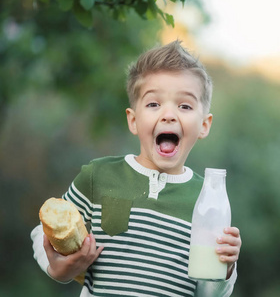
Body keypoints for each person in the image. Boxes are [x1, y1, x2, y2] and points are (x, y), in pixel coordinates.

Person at [30, 40, 242, 297]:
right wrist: (59, 269)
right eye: (154, 104)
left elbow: (209, 294)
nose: (168, 115)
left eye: (184, 106)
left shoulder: (207, 201)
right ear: (133, 119)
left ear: (204, 125)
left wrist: (226, 269)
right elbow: (45, 231)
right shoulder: (99, 176)